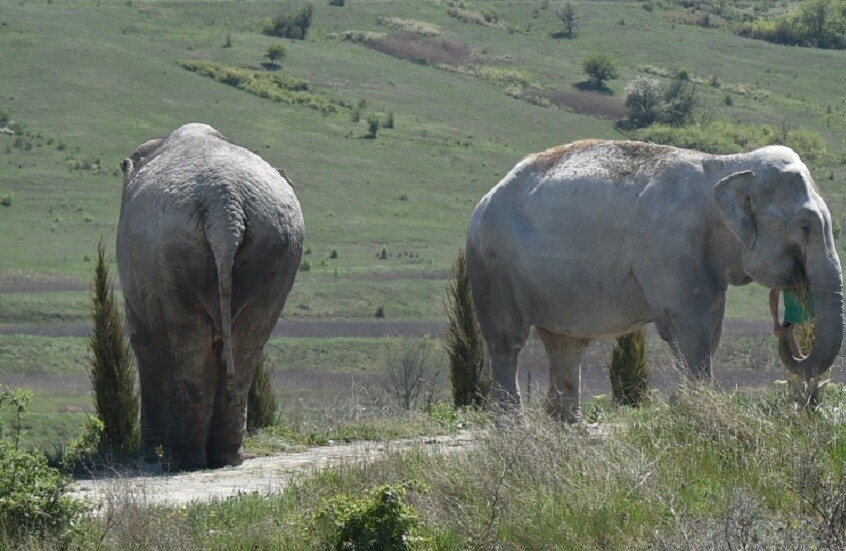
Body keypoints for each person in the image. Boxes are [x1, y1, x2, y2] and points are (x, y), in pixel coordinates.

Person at [769, 288, 826, 406]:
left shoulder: (817, 273)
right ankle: (797, 403)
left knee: (822, 364)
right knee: (794, 364)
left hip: (817, 323)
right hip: (793, 323)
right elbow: (774, 292)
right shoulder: (789, 272)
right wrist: (775, 323)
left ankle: (816, 403)